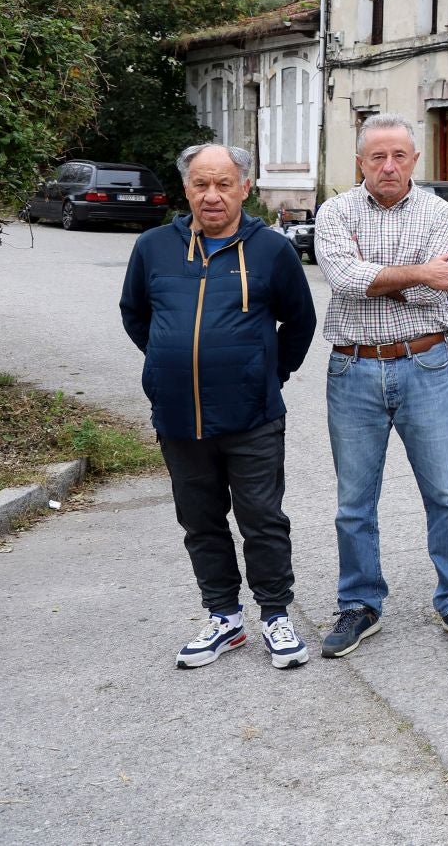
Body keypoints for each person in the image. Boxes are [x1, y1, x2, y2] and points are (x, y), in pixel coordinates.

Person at [119, 143, 317, 669]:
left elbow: (301, 322)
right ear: (186, 189)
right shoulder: (153, 247)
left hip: (252, 417)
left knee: (262, 520)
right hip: (178, 418)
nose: (212, 195)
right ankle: (224, 618)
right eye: (201, 184)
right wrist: (168, 365)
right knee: (200, 522)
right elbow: (135, 314)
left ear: (244, 188)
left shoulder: (271, 250)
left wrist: (267, 374)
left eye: (224, 184)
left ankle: (275, 615)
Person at [313, 113, 448, 654]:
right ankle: (359, 604)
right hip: (353, 368)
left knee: (445, 493)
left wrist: (377, 275)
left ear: (414, 160)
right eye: (377, 157)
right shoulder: (335, 211)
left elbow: (440, 290)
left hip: (425, 365)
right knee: (354, 501)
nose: (388, 166)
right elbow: (342, 278)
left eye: (399, 156)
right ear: (359, 162)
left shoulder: (439, 212)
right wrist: (415, 272)